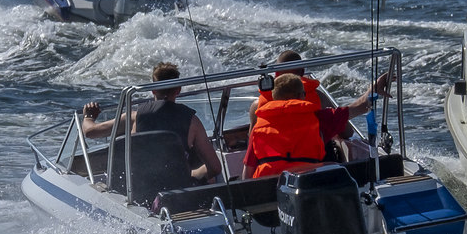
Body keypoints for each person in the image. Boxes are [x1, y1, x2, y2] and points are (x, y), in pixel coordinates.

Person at [80, 62, 221, 186]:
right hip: (177, 190)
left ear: (153, 90)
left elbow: (90, 132)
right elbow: (214, 167)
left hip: (139, 189)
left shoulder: (133, 117)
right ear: (178, 90)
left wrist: (88, 116)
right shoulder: (193, 122)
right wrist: (191, 175)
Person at [243, 72, 390, 178]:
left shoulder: (258, 128)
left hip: (268, 188)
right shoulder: (319, 119)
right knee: (336, 167)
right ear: (302, 96)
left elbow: (247, 174)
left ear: (274, 98)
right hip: (307, 183)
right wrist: (375, 88)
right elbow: (361, 106)